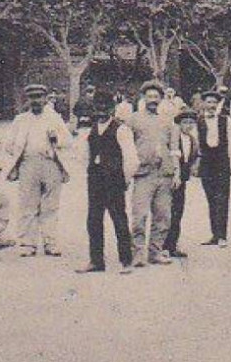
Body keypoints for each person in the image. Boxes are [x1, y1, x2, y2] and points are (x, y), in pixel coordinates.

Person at [4, 82, 73, 257]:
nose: (36, 101)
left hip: (50, 163)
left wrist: (56, 138)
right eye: (32, 97)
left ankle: (50, 242)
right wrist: (21, 150)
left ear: (45, 98)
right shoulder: (21, 120)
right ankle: (28, 243)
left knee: (50, 206)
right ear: (28, 99)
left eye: (39, 97)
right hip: (28, 164)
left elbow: (68, 141)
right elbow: (9, 144)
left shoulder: (54, 118)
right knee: (28, 204)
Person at [76, 91, 138, 275]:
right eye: (98, 108)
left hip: (114, 180)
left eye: (105, 108)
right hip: (95, 180)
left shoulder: (121, 129)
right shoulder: (91, 129)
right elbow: (84, 154)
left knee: (119, 219)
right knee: (93, 220)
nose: (102, 112)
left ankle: (126, 261)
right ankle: (96, 261)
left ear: (112, 109)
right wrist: (89, 171)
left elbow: (131, 158)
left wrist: (125, 179)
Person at [127, 80, 181, 267]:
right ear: (143, 98)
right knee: (139, 216)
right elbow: (126, 147)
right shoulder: (133, 119)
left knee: (163, 216)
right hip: (143, 174)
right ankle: (138, 253)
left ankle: (155, 252)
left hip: (164, 174)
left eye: (156, 97)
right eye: (149, 96)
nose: (153, 100)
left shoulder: (168, 121)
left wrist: (176, 172)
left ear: (161, 99)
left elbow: (174, 149)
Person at [196, 89, 231, 247]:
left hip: (222, 162)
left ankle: (222, 236)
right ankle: (215, 234)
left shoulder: (226, 120)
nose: (211, 105)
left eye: (214, 102)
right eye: (209, 102)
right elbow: (196, 144)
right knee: (211, 198)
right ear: (203, 104)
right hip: (206, 163)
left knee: (222, 198)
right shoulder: (198, 121)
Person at [166, 104, 201, 259]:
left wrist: (193, 168)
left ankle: (172, 245)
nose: (188, 126)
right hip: (171, 179)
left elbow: (195, 156)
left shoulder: (193, 140)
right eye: (185, 122)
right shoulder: (173, 138)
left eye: (191, 123)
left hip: (183, 181)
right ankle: (163, 245)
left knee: (178, 212)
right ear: (179, 124)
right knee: (167, 212)